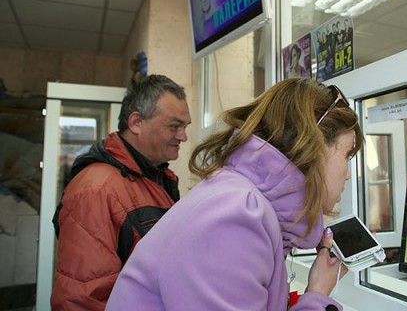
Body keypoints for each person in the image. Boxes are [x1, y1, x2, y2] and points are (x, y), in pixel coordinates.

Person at [106, 78, 365, 311]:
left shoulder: (242, 202)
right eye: (347, 155)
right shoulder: (236, 216)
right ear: (314, 147)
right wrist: (317, 296)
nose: (347, 174)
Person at [51, 74, 192, 311]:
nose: (183, 136)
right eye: (174, 126)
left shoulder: (158, 179)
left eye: (185, 127)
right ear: (136, 122)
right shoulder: (95, 190)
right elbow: (81, 301)